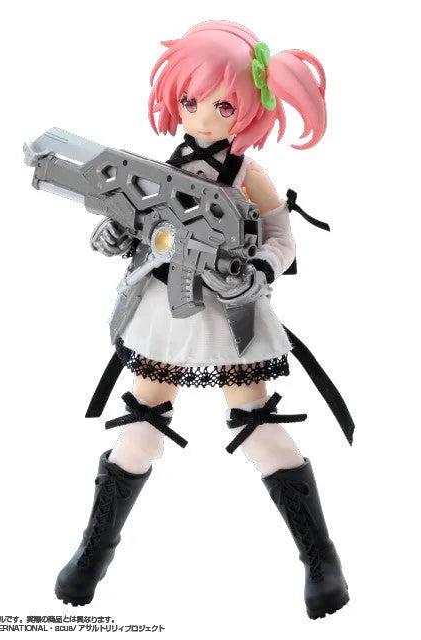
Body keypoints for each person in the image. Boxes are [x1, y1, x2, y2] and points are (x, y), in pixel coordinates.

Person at [55, 20, 351, 619]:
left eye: (222, 105)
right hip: (164, 309)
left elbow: (281, 238)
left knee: (256, 423)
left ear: (249, 108)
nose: (203, 116)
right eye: (190, 101)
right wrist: (117, 233)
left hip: (226, 310)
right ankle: (94, 553)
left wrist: (258, 271)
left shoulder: (246, 174)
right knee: (141, 425)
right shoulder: (156, 169)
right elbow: (137, 225)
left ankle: (321, 560)